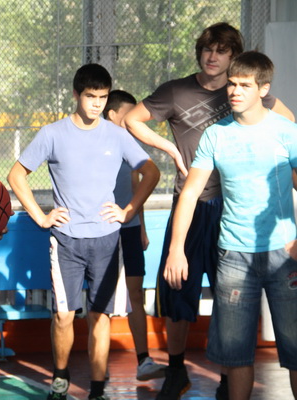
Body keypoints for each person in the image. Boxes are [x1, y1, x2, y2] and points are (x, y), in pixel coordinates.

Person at [124, 22, 295, 400]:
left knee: (233, 299)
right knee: (177, 290)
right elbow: (130, 119)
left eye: (222, 51)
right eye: (207, 49)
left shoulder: (251, 97)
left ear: (236, 59)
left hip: (237, 210)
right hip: (194, 203)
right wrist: (171, 150)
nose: (212, 57)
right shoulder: (178, 92)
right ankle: (177, 370)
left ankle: (227, 380)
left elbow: (289, 127)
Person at [8, 64, 160, 400]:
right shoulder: (52, 134)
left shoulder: (117, 135)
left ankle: (97, 389)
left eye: (102, 97)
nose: (96, 104)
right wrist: (41, 216)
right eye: (91, 96)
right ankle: (60, 378)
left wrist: (128, 211)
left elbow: (151, 172)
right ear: (76, 94)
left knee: (100, 317)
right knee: (64, 317)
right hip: (66, 241)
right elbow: (16, 175)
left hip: (107, 242)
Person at [164, 50, 297, 400]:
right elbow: (190, 194)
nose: (235, 91)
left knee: (296, 352)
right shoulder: (215, 135)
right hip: (233, 258)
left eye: (244, 85)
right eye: (232, 84)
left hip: (284, 256)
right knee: (236, 355)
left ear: (263, 89)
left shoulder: (287, 132)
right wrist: (176, 249)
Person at [103, 90, 166, 381]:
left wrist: (140, 225)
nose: (132, 120)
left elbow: (135, 185)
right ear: (112, 114)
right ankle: (98, 365)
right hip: (102, 231)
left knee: (135, 294)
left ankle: (143, 361)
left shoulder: (129, 145)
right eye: (127, 115)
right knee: (101, 298)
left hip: (128, 230)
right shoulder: (93, 142)